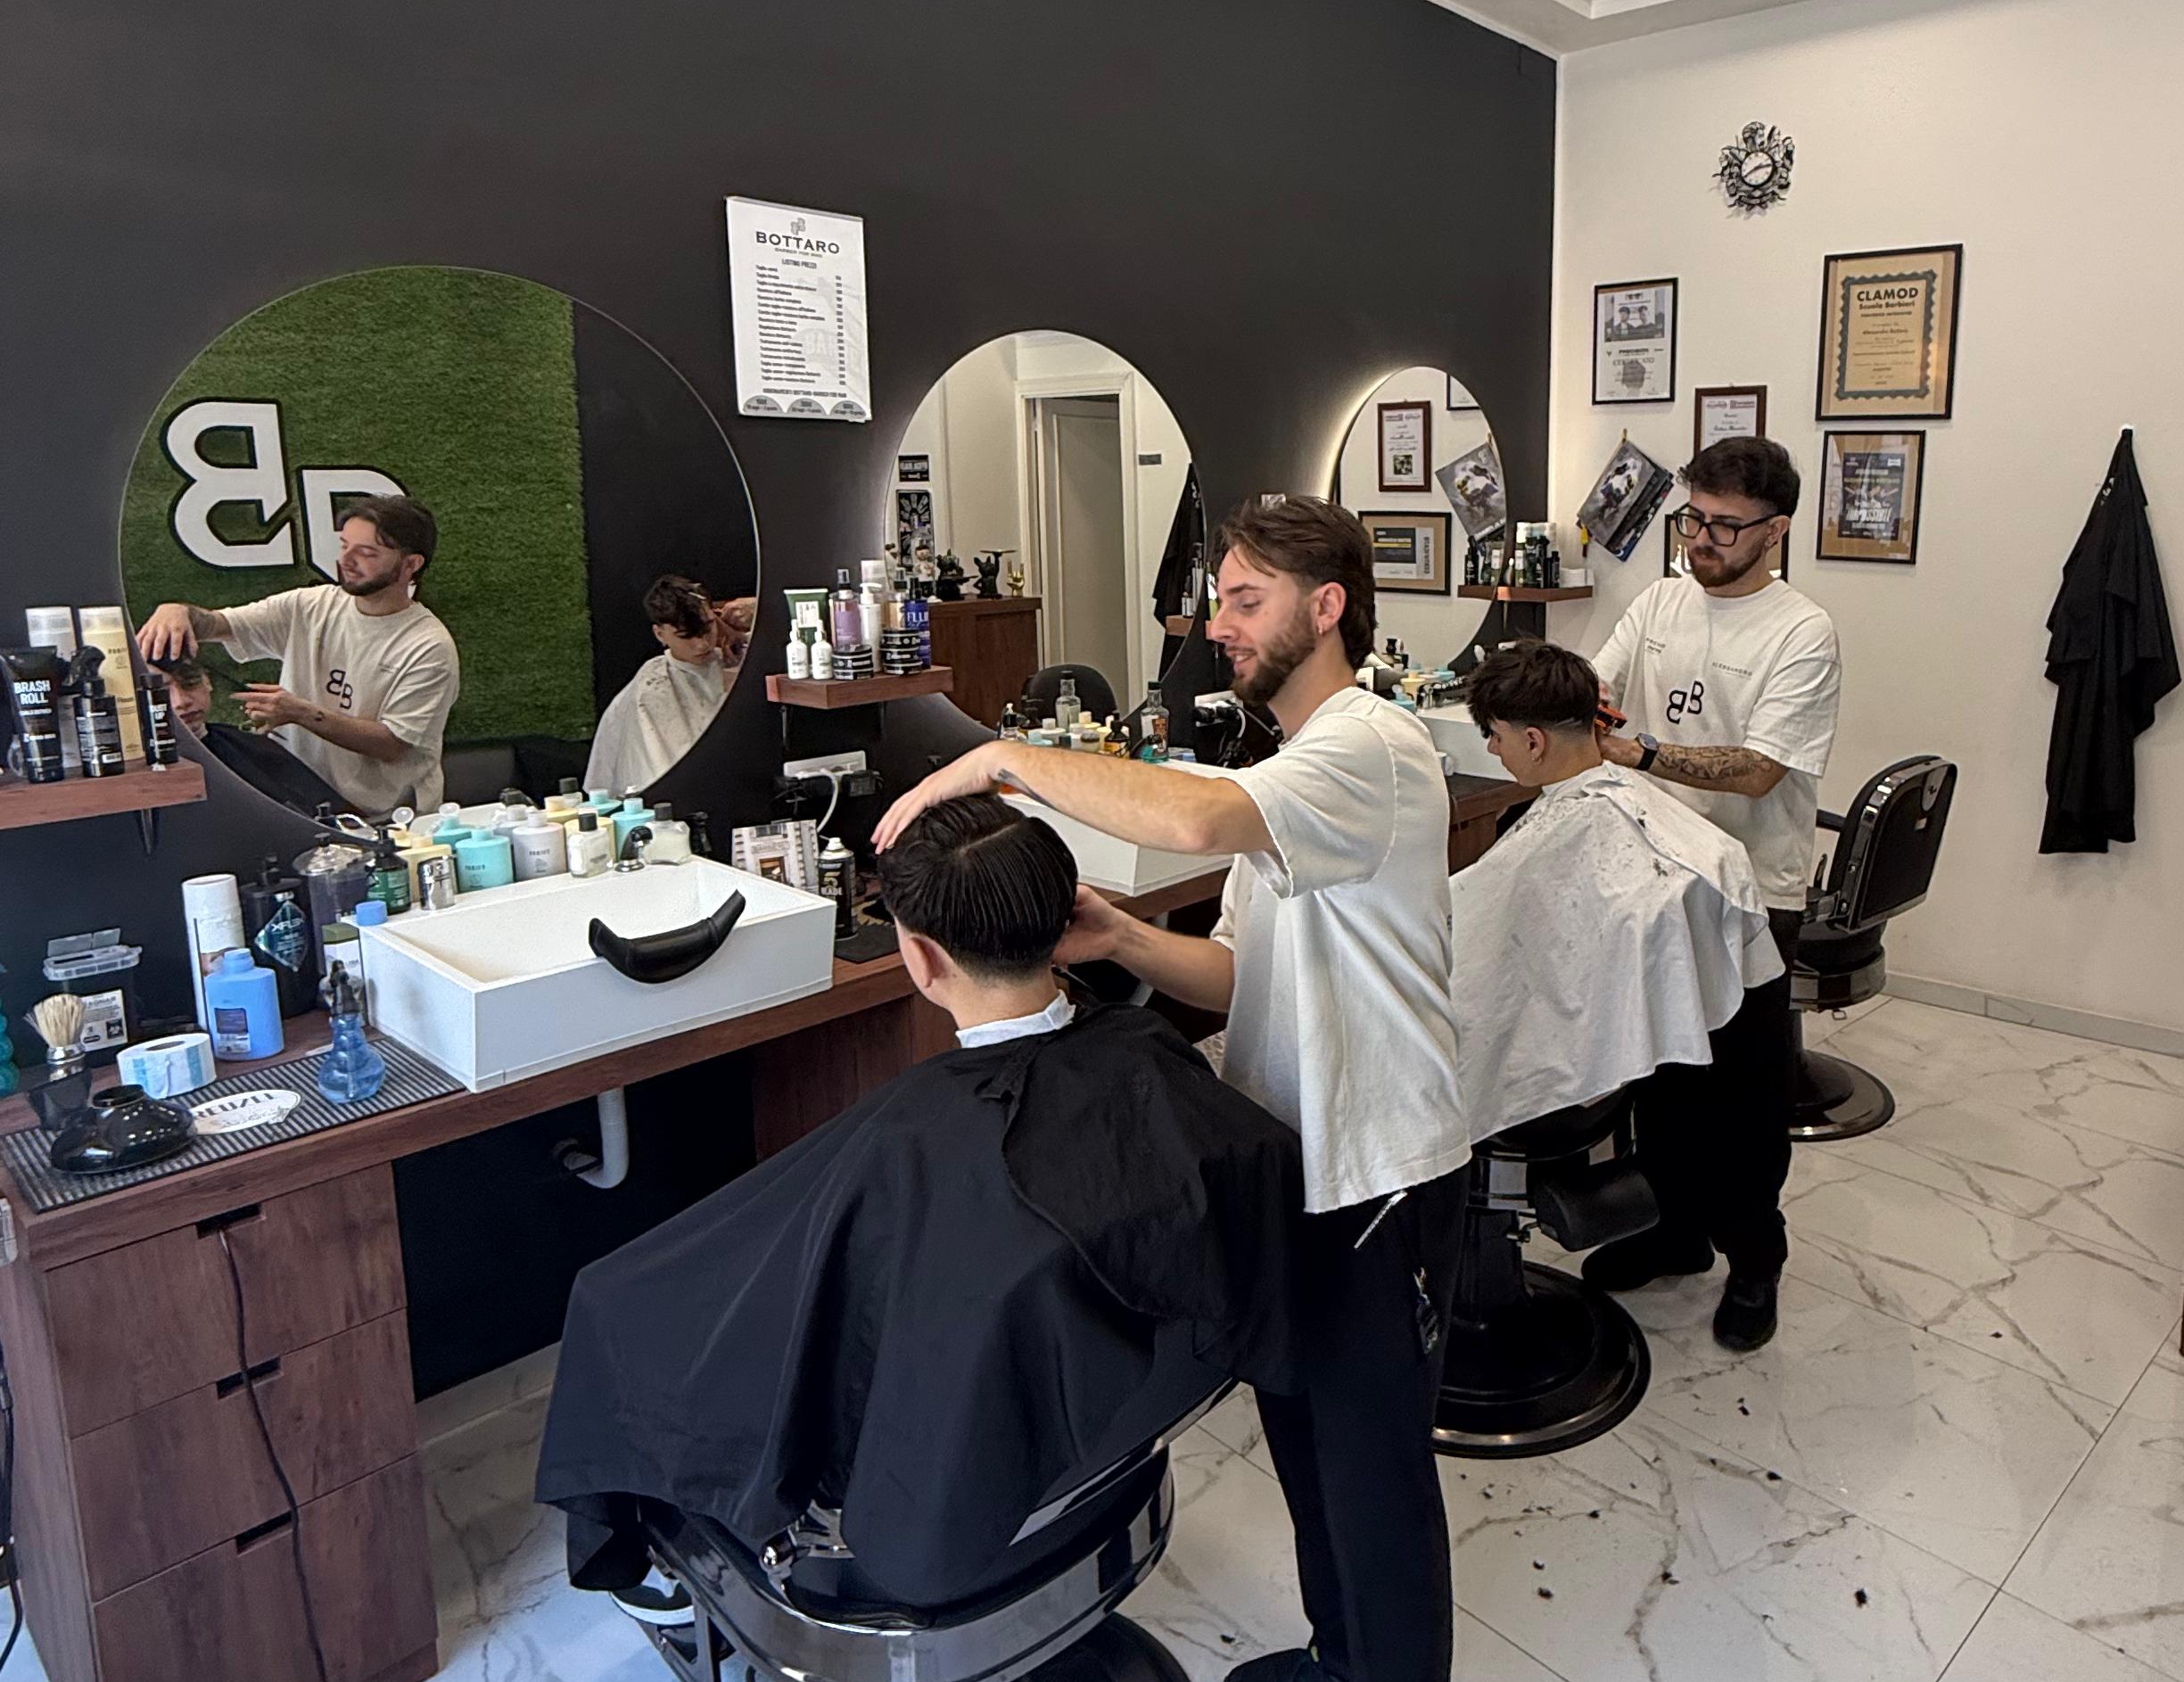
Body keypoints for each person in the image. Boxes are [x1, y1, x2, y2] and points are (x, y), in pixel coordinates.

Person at [877, 493, 1470, 1682]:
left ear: (1328, 607)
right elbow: (1247, 973)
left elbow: (1194, 820)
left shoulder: (1370, 747)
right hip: (1287, 1159)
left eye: (1247, 596)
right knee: (1299, 1439)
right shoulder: (1296, 777)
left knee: (1378, 1488)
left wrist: (1002, 756)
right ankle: (1342, 1657)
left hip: (1379, 1175)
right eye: (1219, 594)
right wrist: (1125, 941)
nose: (1218, 619)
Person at [536, 796, 1310, 1599]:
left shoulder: (909, 1138)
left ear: (921, 958)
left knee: (610, 1298)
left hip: (963, 1509)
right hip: (1122, 1431)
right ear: (1064, 922)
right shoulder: (1148, 1050)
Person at [1586, 434, 1842, 1349]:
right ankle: (1674, 1232)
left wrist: (1641, 750)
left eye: (1726, 526)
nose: (1701, 539)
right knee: (1659, 1073)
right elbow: (1598, 683)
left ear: (1775, 531)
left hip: (1752, 893)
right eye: (1693, 518)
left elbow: (1762, 770)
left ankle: (1755, 1259)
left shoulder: (1800, 632)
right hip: (1652, 876)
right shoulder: (1658, 602)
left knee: (1742, 1092)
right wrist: (1573, 705)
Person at [1455, 641, 1785, 1224]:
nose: (1490, 749)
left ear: (1534, 741)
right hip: (1668, 1065)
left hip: (1580, 1091)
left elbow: (1479, 965)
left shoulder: (1561, 842)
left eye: (1495, 735)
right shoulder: (1694, 842)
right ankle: (1684, 1238)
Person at [137, 497, 460, 819]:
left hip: (388, 818)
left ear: (411, 564)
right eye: (344, 545)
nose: (346, 560)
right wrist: (177, 611)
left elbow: (393, 744)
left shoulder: (428, 646)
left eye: (366, 553)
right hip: (301, 807)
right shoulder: (310, 606)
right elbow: (221, 624)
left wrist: (301, 713)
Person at [585, 573, 754, 795]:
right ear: (660, 634)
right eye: (686, 636)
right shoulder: (652, 685)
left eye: (707, 629)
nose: (701, 645)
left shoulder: (737, 659)